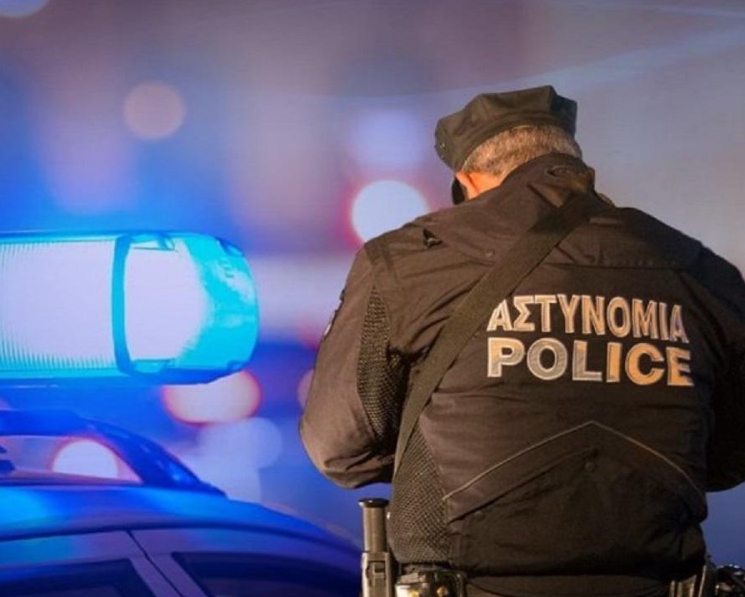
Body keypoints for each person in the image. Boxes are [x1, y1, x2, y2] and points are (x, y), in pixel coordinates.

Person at [299, 85, 745, 597]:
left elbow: (339, 449)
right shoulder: (700, 271)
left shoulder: (408, 264)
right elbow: (730, 455)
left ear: (468, 180)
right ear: (574, 164)